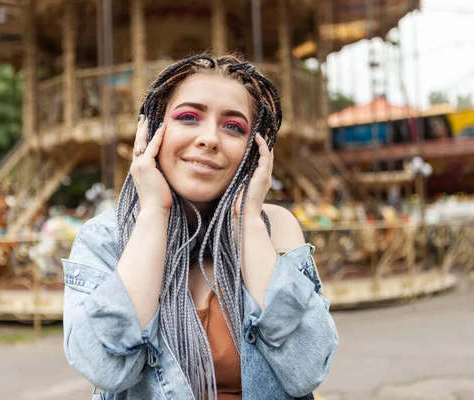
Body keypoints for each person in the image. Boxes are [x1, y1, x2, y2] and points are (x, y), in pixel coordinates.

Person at [62, 54, 338, 400]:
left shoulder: (273, 227)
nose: (209, 138)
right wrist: (153, 214)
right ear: (151, 131)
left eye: (233, 126)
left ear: (254, 149)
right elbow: (107, 369)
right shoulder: (108, 237)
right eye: (188, 117)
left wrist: (247, 221)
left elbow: (306, 371)